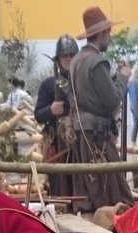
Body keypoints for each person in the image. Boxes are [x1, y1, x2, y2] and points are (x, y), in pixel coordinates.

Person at [67, 6, 134, 212]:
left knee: (92, 187)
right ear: (102, 33)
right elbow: (112, 100)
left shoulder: (77, 60)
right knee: (110, 190)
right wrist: (123, 77)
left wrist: (113, 78)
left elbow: (93, 94)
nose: (110, 37)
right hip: (96, 135)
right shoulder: (97, 61)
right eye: (109, 32)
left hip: (84, 132)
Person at [34, 35, 79, 197]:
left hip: (82, 143)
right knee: (59, 189)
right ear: (58, 59)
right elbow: (38, 114)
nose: (68, 58)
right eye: (64, 55)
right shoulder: (48, 84)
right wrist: (51, 110)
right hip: (59, 145)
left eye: (72, 55)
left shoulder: (83, 82)